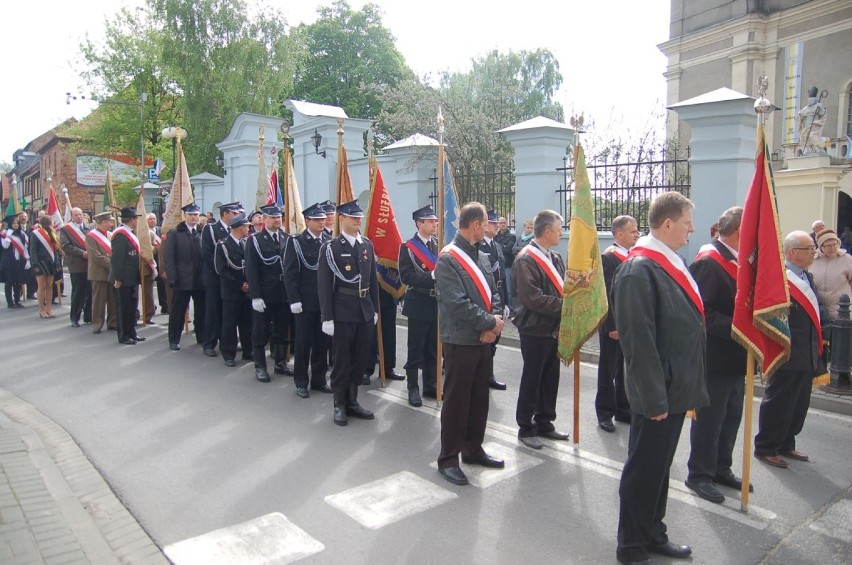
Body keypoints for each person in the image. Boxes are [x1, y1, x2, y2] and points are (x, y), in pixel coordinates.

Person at [612, 192, 708, 564]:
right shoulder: (639, 270)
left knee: (659, 468)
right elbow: (638, 343)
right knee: (644, 469)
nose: (692, 229)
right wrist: (653, 399)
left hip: (674, 389)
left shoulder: (669, 261)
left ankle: (653, 531)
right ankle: (631, 544)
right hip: (658, 394)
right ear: (667, 224)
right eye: (687, 222)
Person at [435, 202, 505, 486]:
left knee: (479, 399)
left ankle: (473, 449)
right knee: (457, 401)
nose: (490, 226)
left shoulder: (483, 258)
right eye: (486, 221)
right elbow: (456, 303)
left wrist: (495, 324)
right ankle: (448, 458)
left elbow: (494, 294)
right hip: (460, 340)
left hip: (482, 340)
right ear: (475, 224)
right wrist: (488, 324)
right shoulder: (447, 260)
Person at [685, 206, 751, 504]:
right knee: (710, 419)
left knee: (732, 416)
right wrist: (741, 328)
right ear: (739, 231)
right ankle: (699, 474)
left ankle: (721, 467)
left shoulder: (737, 260)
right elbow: (701, 313)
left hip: (737, 357)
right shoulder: (709, 262)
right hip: (715, 356)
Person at [754, 231, 827, 468]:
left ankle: (786, 442)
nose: (814, 252)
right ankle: (766, 446)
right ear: (792, 252)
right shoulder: (780, 278)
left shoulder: (806, 277)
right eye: (809, 248)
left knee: (798, 402)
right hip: (785, 350)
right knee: (779, 401)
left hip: (806, 349)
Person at [317, 200, 379, 426]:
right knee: (342, 360)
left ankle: (353, 400)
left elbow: (372, 281)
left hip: (364, 310)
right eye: (353, 217)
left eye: (359, 216)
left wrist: (375, 310)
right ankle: (339, 403)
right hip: (342, 311)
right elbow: (324, 285)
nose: (358, 220)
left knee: (360, 358)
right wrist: (327, 317)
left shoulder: (367, 246)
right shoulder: (331, 248)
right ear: (341, 219)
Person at [512, 209, 569, 449]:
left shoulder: (555, 257)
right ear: (547, 231)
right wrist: (566, 307)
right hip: (534, 329)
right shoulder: (526, 259)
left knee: (550, 377)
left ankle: (545, 421)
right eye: (559, 229)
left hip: (553, 327)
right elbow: (532, 298)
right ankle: (526, 427)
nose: (561, 233)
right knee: (532, 378)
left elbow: (562, 287)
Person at [284, 203, 333, 398]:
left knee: (323, 343)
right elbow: (290, 273)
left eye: (323, 219)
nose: (322, 222)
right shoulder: (296, 242)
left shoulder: (329, 241)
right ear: (307, 221)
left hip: (324, 302)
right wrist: (294, 300)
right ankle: (301, 381)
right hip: (304, 302)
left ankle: (319, 379)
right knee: (303, 344)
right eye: (317, 220)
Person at [596, 215, 639, 433]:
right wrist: (612, 325)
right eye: (632, 231)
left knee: (625, 370)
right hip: (614, 325)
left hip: (630, 325)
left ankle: (624, 408)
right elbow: (607, 296)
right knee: (608, 370)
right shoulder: (609, 258)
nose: (637, 234)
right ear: (619, 234)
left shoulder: (633, 256)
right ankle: (605, 412)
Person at [245, 205, 294, 383]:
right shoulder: (255, 240)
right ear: (264, 219)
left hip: (283, 292)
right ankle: (260, 366)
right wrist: (255, 295)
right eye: (273, 217)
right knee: (260, 331)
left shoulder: (286, 238)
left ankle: (280, 363)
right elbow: (251, 270)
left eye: (279, 217)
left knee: (281, 330)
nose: (277, 220)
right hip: (265, 291)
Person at [398, 204, 440, 407]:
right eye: (431, 221)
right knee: (415, 348)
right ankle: (413, 386)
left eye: (435, 221)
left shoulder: (438, 245)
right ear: (419, 223)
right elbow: (406, 276)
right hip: (418, 302)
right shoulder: (407, 247)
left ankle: (430, 384)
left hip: (436, 303)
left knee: (433, 347)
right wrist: (429, 276)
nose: (435, 224)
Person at [163, 203, 206, 351]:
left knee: (201, 311)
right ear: (185, 216)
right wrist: (172, 277)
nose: (194, 217)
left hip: (199, 279)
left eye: (196, 214)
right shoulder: (175, 233)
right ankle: (174, 339)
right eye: (191, 214)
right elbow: (169, 257)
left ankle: (201, 336)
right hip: (182, 279)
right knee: (178, 311)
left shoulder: (202, 231)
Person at [201, 202, 241, 356]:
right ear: (225, 214)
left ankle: (226, 342)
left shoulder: (235, 230)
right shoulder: (211, 229)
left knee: (228, 314)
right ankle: (209, 343)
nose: (237, 216)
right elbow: (208, 253)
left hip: (230, 279)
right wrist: (222, 268)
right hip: (215, 278)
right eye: (234, 213)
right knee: (213, 310)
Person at [214, 212, 253, 367]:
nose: (248, 229)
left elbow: (249, 267)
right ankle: (228, 354)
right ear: (239, 227)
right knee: (230, 324)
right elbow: (221, 271)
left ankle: (247, 351)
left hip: (246, 291)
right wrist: (239, 285)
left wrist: (248, 284)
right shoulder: (223, 246)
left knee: (247, 323)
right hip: (231, 292)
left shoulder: (245, 243)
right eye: (246, 226)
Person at [480, 209, 508, 390]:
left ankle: (488, 374)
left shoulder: (496, 245)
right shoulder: (479, 246)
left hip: (498, 295)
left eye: (498, 223)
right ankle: (483, 375)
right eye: (492, 223)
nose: (497, 226)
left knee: (495, 338)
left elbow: (502, 276)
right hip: (486, 295)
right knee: (486, 337)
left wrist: (506, 302)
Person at [109, 207, 144, 345]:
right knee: (123, 308)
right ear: (132, 219)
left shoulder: (129, 233)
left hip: (132, 277)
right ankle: (124, 335)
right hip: (123, 278)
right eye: (136, 218)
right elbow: (117, 258)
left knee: (131, 307)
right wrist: (118, 278)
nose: (137, 221)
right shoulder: (120, 234)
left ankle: (132, 333)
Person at [810, 229, 852, 322]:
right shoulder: (812, 259)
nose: (832, 248)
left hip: (841, 311)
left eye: (834, 244)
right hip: (818, 312)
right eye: (828, 246)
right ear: (821, 246)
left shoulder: (847, 259)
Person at [60, 207, 92, 327]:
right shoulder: (66, 229)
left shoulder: (89, 227)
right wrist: (82, 253)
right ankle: (75, 317)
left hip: (90, 264)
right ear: (72, 217)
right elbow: (66, 245)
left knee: (90, 291)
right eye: (77, 215)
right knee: (78, 292)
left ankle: (89, 316)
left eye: (81, 214)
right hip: (77, 264)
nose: (79, 217)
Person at [86, 212, 117, 333]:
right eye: (109, 221)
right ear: (103, 222)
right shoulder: (91, 236)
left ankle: (113, 322)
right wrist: (111, 265)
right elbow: (95, 256)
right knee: (99, 300)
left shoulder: (110, 234)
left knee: (112, 299)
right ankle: (97, 323)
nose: (111, 223)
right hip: (99, 272)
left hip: (111, 272)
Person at [29, 215, 62, 318]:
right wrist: (34, 264)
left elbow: (56, 250)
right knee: (41, 286)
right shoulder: (36, 233)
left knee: (49, 286)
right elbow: (33, 249)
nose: (53, 223)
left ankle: (49, 308)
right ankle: (42, 309)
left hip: (51, 262)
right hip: (40, 262)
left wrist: (57, 262)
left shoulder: (53, 233)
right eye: (52, 221)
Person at [0, 214, 29, 308]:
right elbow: (5, 246)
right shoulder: (5, 233)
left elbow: (25, 247)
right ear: (10, 224)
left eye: (17, 223)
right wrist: (8, 236)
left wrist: (27, 259)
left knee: (18, 281)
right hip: (8, 260)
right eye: (13, 223)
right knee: (9, 281)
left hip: (19, 260)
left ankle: (17, 300)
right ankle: (10, 302)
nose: (16, 225)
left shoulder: (21, 233)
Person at [796, 86, 827, 156]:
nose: (808, 93)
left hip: (814, 124)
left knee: (811, 135)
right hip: (807, 124)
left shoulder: (818, 105)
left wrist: (820, 108)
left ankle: (819, 148)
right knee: (804, 137)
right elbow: (801, 113)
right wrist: (799, 115)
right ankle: (811, 150)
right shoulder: (807, 107)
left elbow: (822, 113)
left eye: (810, 91)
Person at [495, 216, 517, 310]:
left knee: (508, 289)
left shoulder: (512, 236)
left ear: (507, 223)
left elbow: (508, 249)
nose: (502, 224)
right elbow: (495, 248)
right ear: (498, 224)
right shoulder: (495, 236)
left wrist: (500, 247)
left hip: (508, 265)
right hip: (497, 265)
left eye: (504, 222)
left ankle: (510, 308)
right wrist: (502, 246)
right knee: (498, 288)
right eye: (500, 223)